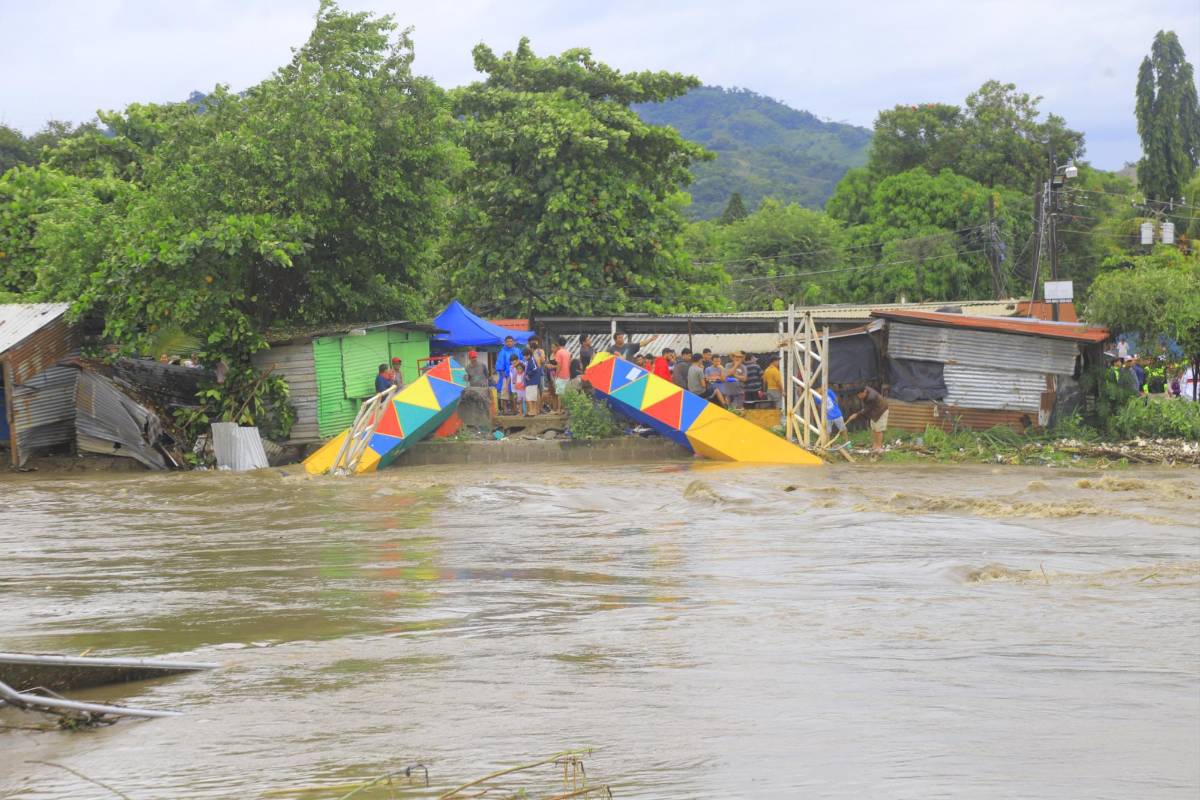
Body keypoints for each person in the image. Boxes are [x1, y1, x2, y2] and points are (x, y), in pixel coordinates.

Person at [847, 385, 889, 453]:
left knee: (879, 430)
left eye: (860, 395)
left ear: (864, 391)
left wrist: (856, 415)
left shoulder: (871, 398)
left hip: (881, 410)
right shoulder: (865, 390)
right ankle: (875, 446)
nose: (859, 397)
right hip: (874, 412)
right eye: (858, 395)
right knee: (874, 429)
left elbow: (866, 409)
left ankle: (879, 447)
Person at [496, 335, 523, 414]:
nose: (509, 343)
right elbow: (499, 364)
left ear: (514, 342)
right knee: (505, 392)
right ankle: (505, 410)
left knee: (515, 393)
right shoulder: (502, 352)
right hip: (505, 375)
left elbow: (522, 361)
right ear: (505, 342)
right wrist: (503, 374)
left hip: (517, 375)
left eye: (511, 341)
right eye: (507, 341)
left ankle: (515, 409)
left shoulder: (518, 350)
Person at [553, 337, 572, 407]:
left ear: (558, 343)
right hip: (567, 375)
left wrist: (556, 375)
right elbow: (569, 364)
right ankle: (564, 409)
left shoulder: (559, 352)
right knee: (565, 393)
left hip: (560, 375)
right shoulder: (568, 352)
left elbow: (559, 365)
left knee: (560, 394)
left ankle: (559, 409)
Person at [523, 348, 542, 416]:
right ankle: (533, 411)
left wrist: (528, 375)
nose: (524, 357)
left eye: (525, 356)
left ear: (528, 355)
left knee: (530, 398)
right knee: (531, 397)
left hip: (532, 382)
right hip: (530, 382)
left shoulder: (532, 360)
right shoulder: (529, 361)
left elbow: (535, 369)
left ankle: (532, 411)